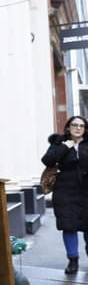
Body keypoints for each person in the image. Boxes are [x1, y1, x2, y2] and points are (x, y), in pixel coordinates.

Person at [42, 115, 88, 275]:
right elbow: (47, 160)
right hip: (65, 192)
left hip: (86, 192)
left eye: (81, 126)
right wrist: (65, 146)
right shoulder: (59, 143)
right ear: (68, 127)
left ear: (85, 129)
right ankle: (73, 260)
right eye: (74, 125)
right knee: (69, 227)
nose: (78, 128)